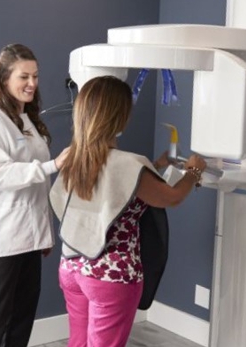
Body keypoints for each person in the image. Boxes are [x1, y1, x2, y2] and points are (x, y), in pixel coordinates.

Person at [49, 75, 206, 347]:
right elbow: (172, 197)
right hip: (111, 275)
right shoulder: (130, 165)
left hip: (72, 266)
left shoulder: (74, 158)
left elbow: (111, 193)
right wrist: (194, 171)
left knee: (78, 342)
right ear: (119, 117)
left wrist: (156, 165)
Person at [0, 43, 68, 347]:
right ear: (4, 78)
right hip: (1, 238)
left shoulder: (25, 120)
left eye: (35, 76)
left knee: (22, 317)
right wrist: (54, 164)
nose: (32, 83)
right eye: (24, 77)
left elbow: (35, 187)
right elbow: (0, 175)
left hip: (28, 238)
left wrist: (42, 234)